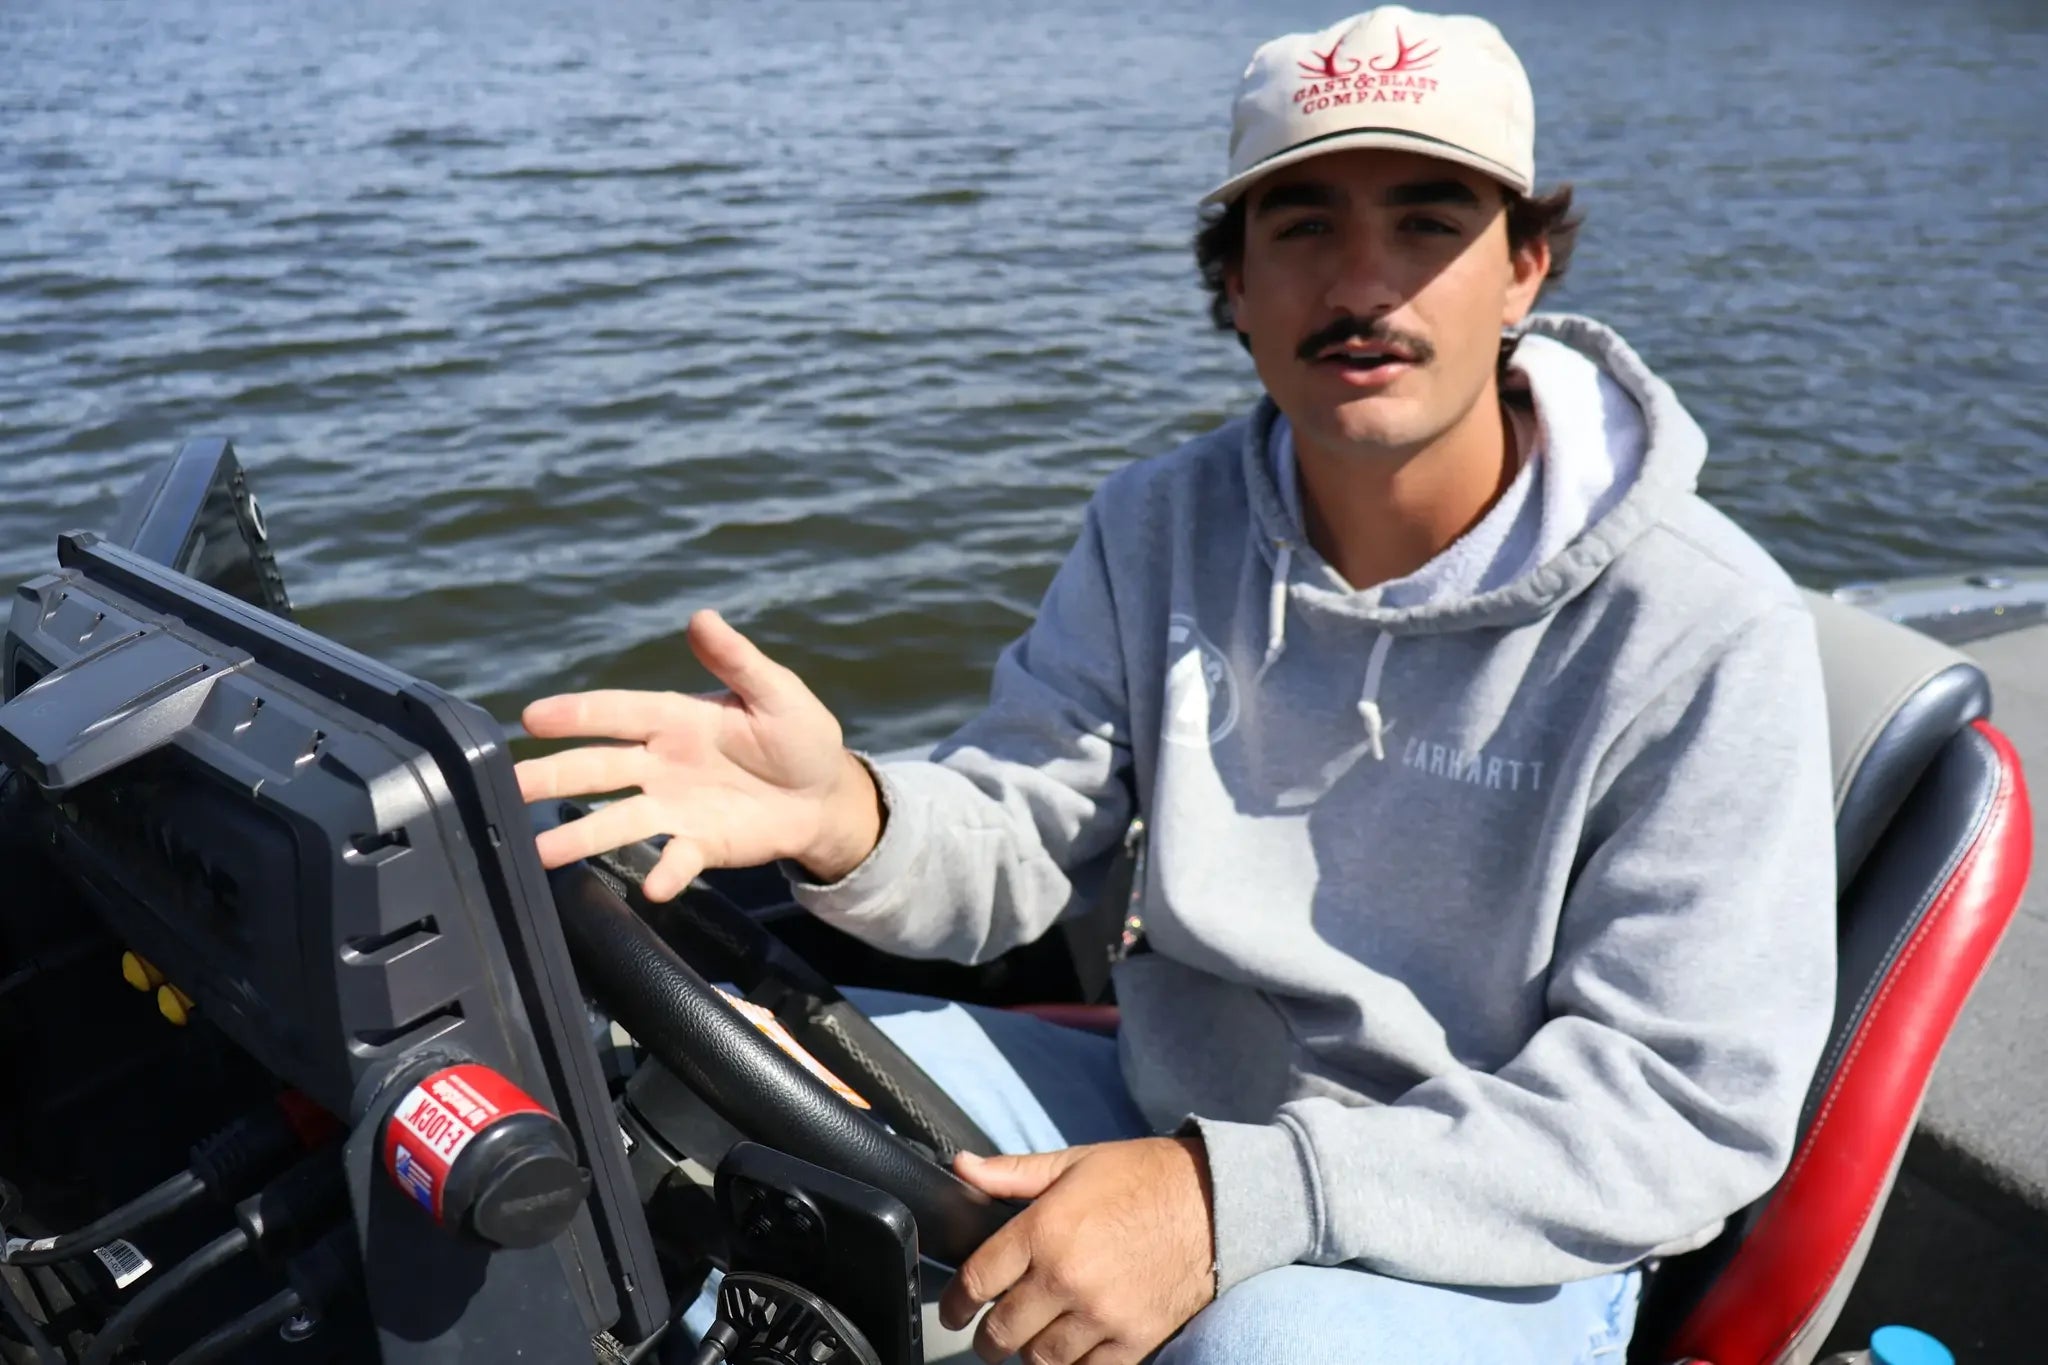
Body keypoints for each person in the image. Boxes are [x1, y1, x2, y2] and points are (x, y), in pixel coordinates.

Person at [513, 7, 1837, 1363]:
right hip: (1156, 1098)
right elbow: (1025, 831)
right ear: (1236, 284)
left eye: (1430, 222)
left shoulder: (1704, 626)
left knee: (1262, 1345)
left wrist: (1226, 1199)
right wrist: (850, 812)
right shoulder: (1159, 525)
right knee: (680, 1088)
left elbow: (1682, 1105)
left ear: (1523, 271)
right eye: (1304, 224)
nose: (1365, 282)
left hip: (1491, 1217)